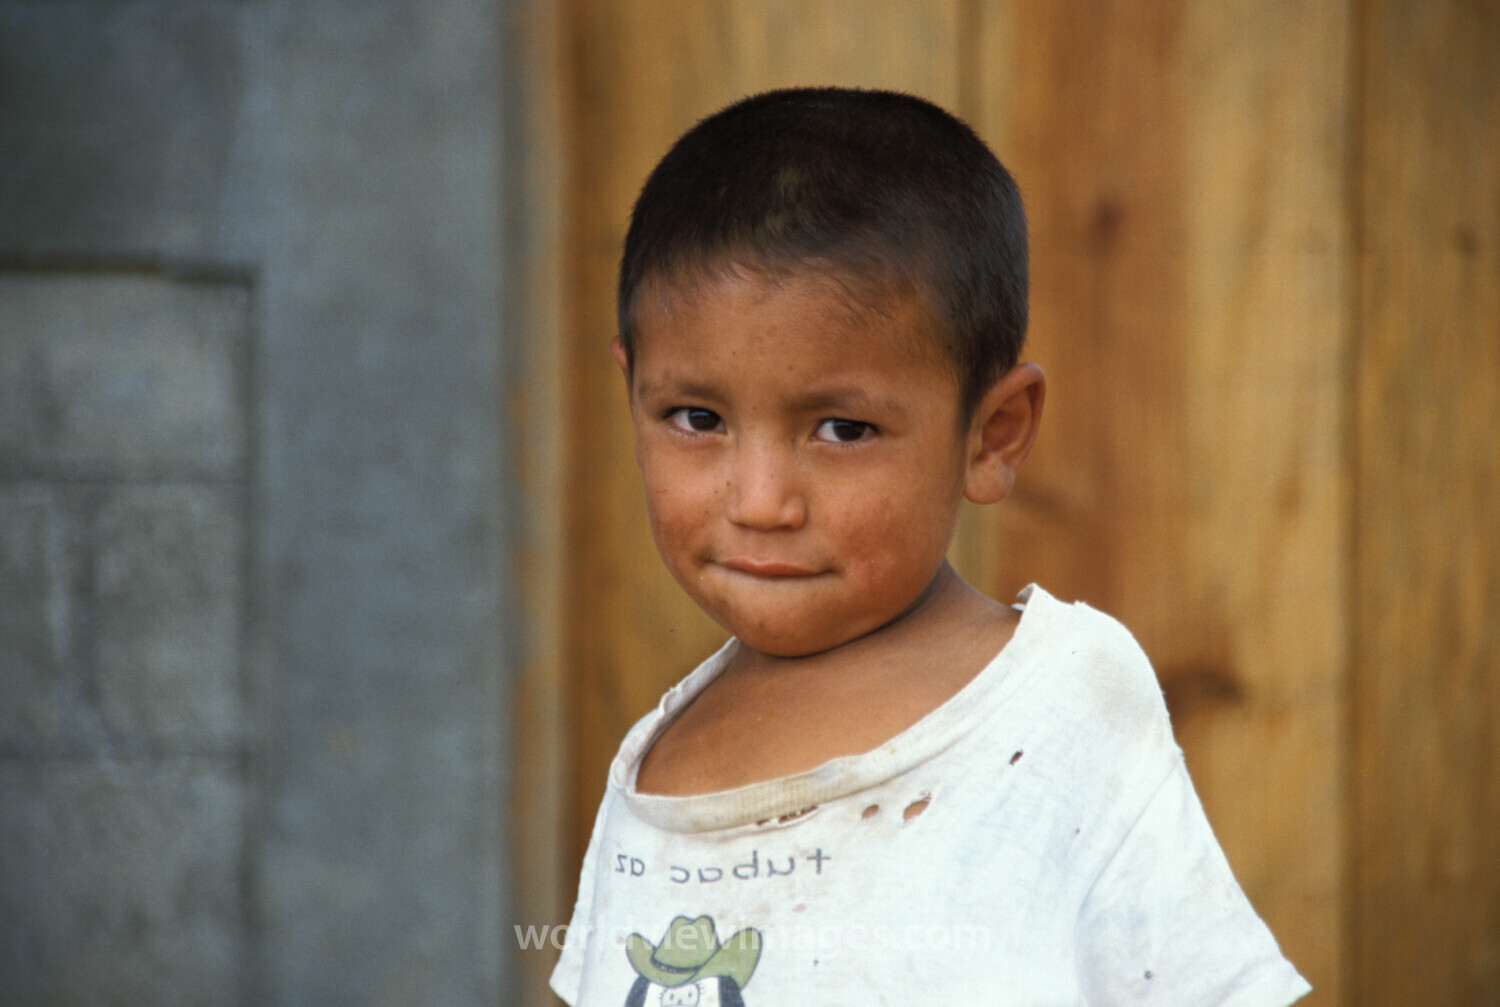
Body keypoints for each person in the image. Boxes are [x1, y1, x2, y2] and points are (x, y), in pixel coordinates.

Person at [550, 87, 1310, 1006]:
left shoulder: (1056, 703)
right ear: (632, 393)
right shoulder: (652, 761)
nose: (760, 501)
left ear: (990, 435)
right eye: (697, 418)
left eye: (841, 429)